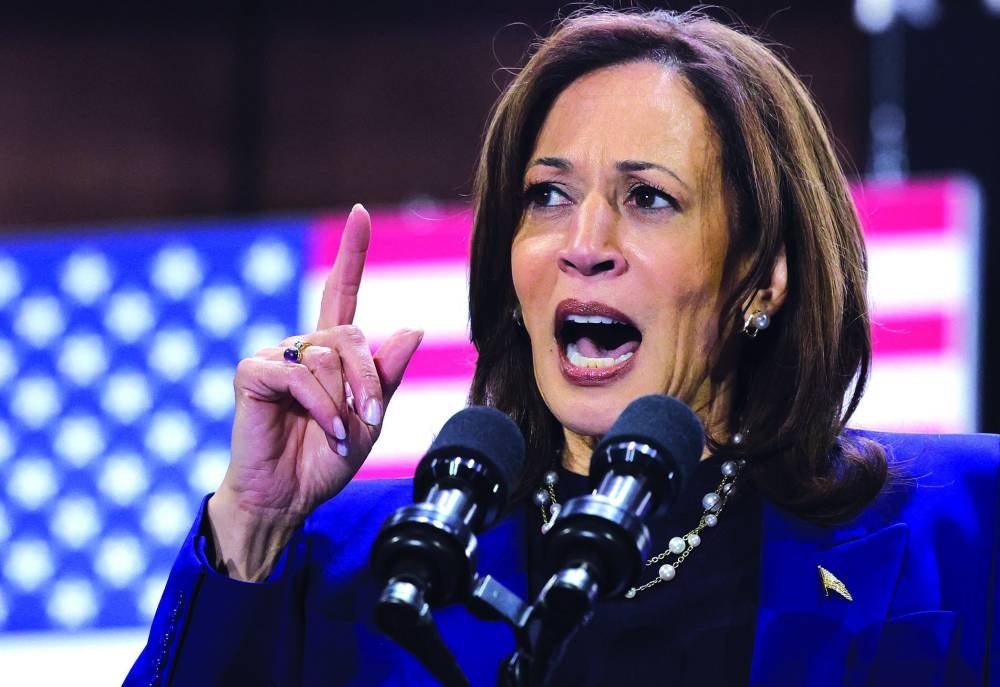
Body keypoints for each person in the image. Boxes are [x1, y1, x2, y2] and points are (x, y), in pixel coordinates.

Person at [126, 8, 998, 686]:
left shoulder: (964, 524)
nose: (584, 241)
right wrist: (254, 524)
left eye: (648, 198)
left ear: (764, 277)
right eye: (547, 196)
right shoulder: (356, 569)